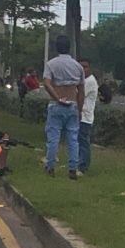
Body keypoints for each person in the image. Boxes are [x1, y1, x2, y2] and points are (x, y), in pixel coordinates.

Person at [42, 36, 85, 179]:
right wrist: (80, 108)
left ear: (56, 47)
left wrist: (56, 97)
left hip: (56, 104)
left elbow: (47, 83)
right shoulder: (77, 66)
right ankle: (73, 168)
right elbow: (81, 90)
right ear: (69, 47)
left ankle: (50, 166)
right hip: (73, 103)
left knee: (53, 137)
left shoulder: (51, 64)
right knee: (73, 138)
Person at [78, 59, 98, 175]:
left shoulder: (90, 82)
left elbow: (79, 95)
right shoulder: (83, 81)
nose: (83, 69)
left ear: (89, 68)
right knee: (79, 141)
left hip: (85, 116)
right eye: (80, 67)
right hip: (81, 116)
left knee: (83, 142)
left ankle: (83, 166)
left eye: (85, 67)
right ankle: (78, 163)